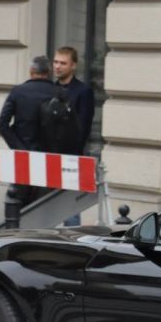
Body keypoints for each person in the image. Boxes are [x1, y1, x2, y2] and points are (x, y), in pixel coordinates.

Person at [0, 55, 59, 206]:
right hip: (48, 160)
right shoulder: (58, 93)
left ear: (31, 71)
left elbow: (2, 123)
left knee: (16, 205)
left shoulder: (18, 92)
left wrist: (17, 147)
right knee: (43, 209)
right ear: (48, 72)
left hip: (23, 158)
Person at [53, 46, 96, 225]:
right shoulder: (49, 89)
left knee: (70, 211)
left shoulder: (83, 91)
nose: (58, 66)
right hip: (48, 157)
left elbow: (84, 127)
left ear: (73, 66)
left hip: (71, 159)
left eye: (63, 63)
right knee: (47, 210)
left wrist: (72, 156)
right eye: (55, 62)